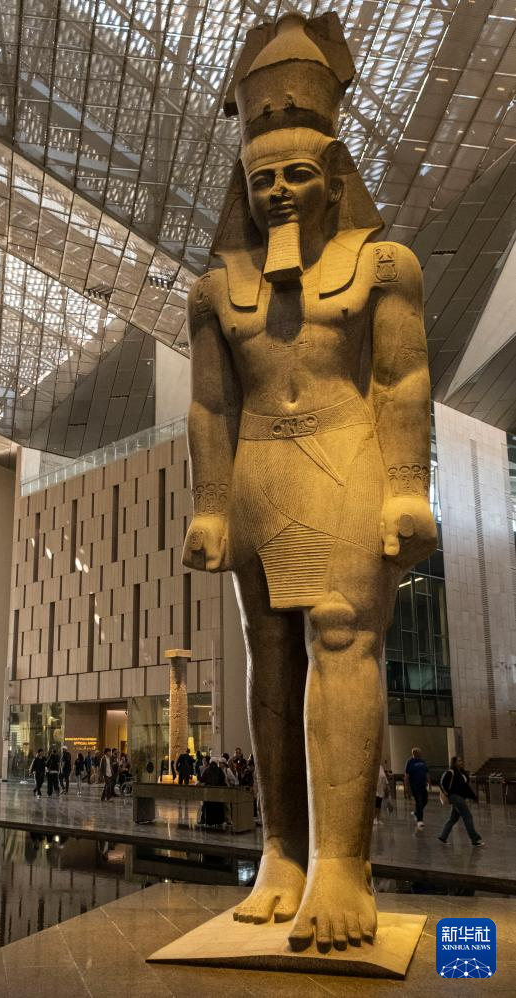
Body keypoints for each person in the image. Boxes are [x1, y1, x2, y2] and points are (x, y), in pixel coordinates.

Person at [181, 11, 437, 947]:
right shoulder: (214, 290)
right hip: (258, 471)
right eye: (261, 180)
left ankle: (343, 864)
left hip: (344, 456)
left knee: (339, 635)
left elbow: (401, 379)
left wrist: (406, 485)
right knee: (270, 652)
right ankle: (281, 851)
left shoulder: (383, 265)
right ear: (241, 189)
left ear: (333, 176)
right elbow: (210, 405)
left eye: (295, 175)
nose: (278, 193)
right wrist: (209, 506)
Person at [439, 757, 484, 847]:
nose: (461, 762)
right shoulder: (450, 772)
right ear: (454, 762)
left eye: (461, 760)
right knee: (468, 816)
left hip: (461, 797)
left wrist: (473, 796)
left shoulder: (462, 773)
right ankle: (474, 839)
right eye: (459, 761)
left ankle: (443, 836)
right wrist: (448, 794)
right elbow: (442, 783)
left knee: (453, 818)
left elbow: (465, 787)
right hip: (455, 797)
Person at [404, 747, 430, 830]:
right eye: (419, 752)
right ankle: (420, 820)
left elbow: (426, 772)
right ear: (414, 753)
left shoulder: (422, 761)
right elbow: (407, 775)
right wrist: (407, 787)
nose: (420, 754)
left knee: (425, 800)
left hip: (423, 784)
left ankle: (416, 812)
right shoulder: (410, 762)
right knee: (419, 801)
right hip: (414, 785)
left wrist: (429, 782)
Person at [198, 759, 227, 827]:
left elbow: (202, 779)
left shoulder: (207, 770)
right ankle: (219, 822)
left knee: (209, 808)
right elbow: (223, 780)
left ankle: (209, 822)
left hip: (209, 793)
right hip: (218, 793)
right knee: (218, 808)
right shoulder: (219, 770)